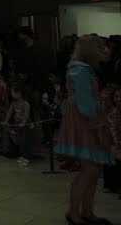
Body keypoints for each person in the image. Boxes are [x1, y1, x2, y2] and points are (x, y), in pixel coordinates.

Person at [54, 35, 114, 225]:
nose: (104, 51)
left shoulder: (81, 69)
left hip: (85, 122)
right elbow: (86, 106)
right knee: (89, 170)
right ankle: (74, 213)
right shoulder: (80, 71)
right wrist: (101, 105)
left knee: (93, 170)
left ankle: (87, 212)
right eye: (100, 48)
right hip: (85, 124)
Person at [5, 84, 33, 167]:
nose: (11, 94)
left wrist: (23, 123)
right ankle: (22, 155)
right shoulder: (13, 103)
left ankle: (26, 157)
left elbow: (26, 115)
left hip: (26, 126)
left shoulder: (26, 104)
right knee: (20, 141)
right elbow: (9, 112)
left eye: (13, 92)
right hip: (17, 125)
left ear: (19, 93)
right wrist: (5, 121)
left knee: (25, 142)